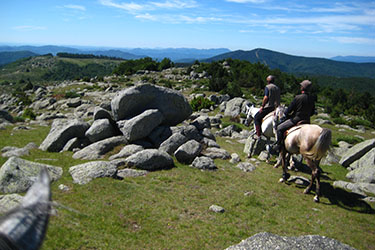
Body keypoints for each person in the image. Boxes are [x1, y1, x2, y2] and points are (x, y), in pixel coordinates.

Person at [274, 80, 316, 150]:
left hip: (296, 120)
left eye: (301, 86)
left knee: (279, 128)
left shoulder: (298, 97)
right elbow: (312, 112)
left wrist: (286, 114)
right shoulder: (312, 99)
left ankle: (279, 145)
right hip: (307, 121)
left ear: (302, 88)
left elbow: (289, 110)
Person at [253, 75, 280, 139]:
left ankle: (258, 134)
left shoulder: (267, 87)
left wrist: (262, 106)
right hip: (275, 108)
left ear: (268, 81)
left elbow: (266, 97)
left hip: (268, 107)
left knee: (256, 118)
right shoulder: (277, 88)